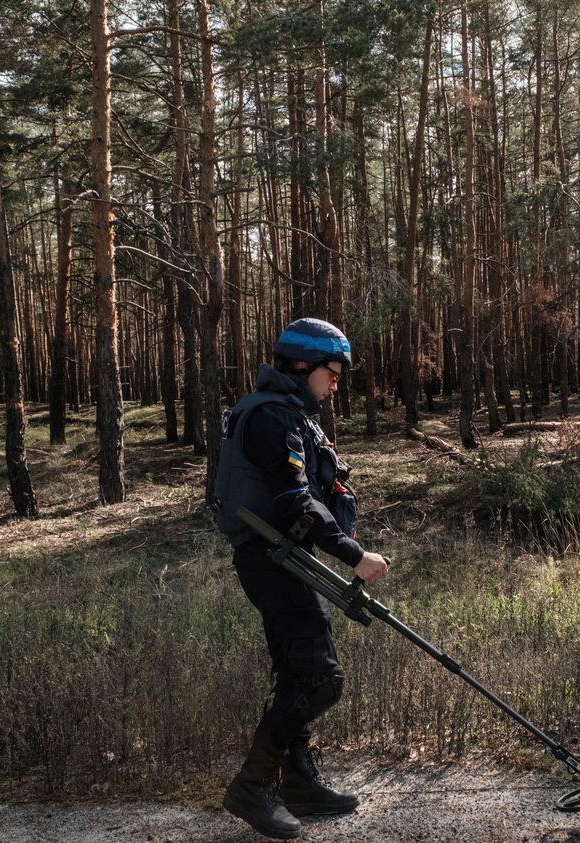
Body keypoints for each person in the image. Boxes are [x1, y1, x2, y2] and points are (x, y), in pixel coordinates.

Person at [212, 317, 390, 839]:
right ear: (303, 365)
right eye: (332, 373)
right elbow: (296, 501)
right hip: (274, 561)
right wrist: (354, 555)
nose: (335, 384)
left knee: (296, 673)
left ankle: (299, 783)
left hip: (283, 558)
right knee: (320, 678)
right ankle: (252, 786)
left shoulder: (287, 413)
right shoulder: (272, 417)